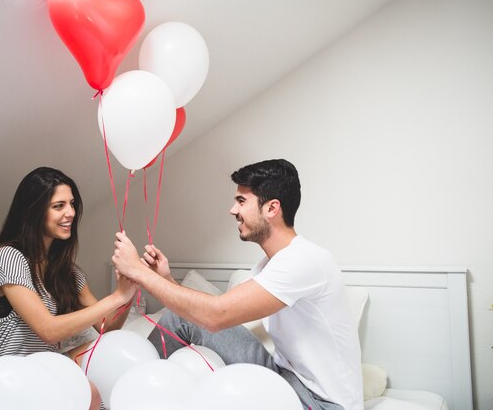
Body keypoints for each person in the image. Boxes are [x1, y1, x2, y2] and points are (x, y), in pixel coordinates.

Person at [112, 159, 363, 410]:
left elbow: (215, 315)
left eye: (242, 201)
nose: (233, 210)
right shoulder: (269, 264)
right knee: (180, 318)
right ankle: (131, 391)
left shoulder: (304, 260)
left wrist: (138, 271)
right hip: (283, 376)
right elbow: (210, 310)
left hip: (320, 402)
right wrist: (167, 280)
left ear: (272, 208)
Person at [0, 166, 137, 410]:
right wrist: (116, 297)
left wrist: (130, 289)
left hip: (44, 367)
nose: (70, 212)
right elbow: (48, 330)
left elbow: (107, 327)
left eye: (71, 204)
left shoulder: (68, 272)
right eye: (58, 206)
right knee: (89, 392)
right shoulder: (8, 257)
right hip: (6, 375)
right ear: (33, 212)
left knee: (114, 349)